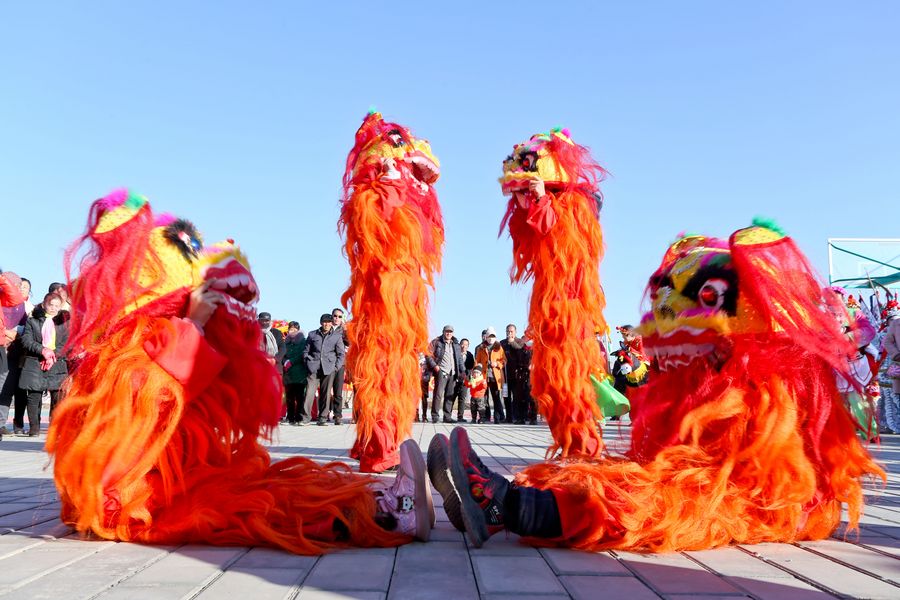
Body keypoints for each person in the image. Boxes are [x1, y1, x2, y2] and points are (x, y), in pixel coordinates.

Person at [429, 221, 884, 553]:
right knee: (616, 474)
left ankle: (507, 507)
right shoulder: (710, 380)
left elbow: (769, 469)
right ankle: (496, 506)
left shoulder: (775, 381)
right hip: (735, 485)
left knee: (660, 500)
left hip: (771, 501)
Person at [48, 190, 434, 554]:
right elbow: (149, 401)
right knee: (254, 504)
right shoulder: (123, 358)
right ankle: (390, 515)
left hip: (156, 483)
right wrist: (192, 326)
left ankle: (377, 497)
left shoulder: (146, 342)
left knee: (270, 479)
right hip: (131, 501)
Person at [340, 111, 445, 473]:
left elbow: (427, 240)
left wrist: (413, 186)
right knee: (381, 371)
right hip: (383, 303)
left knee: (398, 374)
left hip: (404, 303)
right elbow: (376, 229)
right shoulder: (370, 196)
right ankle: (379, 448)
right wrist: (391, 182)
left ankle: (387, 444)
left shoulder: (410, 201)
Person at [499, 128, 608, 456]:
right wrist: (526, 204)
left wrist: (540, 200)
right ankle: (571, 449)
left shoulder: (578, 210)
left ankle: (583, 452)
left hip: (570, 314)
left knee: (571, 382)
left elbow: (562, 239)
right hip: (549, 312)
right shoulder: (550, 205)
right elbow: (531, 242)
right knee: (551, 384)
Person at [18, 292, 69, 435]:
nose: (53, 308)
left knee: (57, 397)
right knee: (34, 396)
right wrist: (43, 350)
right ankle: (34, 427)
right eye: (50, 305)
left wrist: (53, 355)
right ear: (43, 304)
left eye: (57, 306)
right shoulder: (32, 320)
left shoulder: (65, 322)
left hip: (57, 363)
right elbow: (26, 340)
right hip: (35, 362)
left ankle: (54, 427)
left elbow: (67, 343)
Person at [303, 313, 345, 425]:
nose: (326, 324)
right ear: (321, 323)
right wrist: (307, 362)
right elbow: (306, 351)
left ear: (331, 323)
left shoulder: (336, 336)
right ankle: (305, 417)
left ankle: (322, 417)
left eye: (329, 322)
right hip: (313, 367)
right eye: (324, 322)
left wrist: (336, 367)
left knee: (325, 394)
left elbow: (341, 354)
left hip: (329, 368)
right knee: (309, 392)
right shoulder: (312, 334)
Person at [425, 325, 465, 423]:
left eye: (450, 332)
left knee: (449, 395)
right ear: (443, 332)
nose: (448, 333)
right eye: (447, 331)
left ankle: (447, 417)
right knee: (438, 394)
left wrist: (463, 371)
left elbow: (459, 359)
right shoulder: (436, 342)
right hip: (441, 371)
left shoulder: (456, 344)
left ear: (453, 333)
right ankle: (435, 416)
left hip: (453, 372)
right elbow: (428, 354)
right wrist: (435, 366)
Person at [475, 330, 506, 423]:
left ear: (495, 337)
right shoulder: (481, 348)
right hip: (483, 376)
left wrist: (497, 364)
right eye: (489, 336)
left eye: (493, 336)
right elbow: (477, 361)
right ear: (486, 337)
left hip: (495, 377)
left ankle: (497, 417)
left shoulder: (499, 347)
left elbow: (504, 360)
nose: (491, 338)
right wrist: (476, 372)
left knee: (496, 397)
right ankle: (484, 417)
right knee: (483, 398)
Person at [500, 324, 528, 424]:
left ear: (515, 332)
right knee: (506, 397)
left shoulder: (520, 341)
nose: (509, 333)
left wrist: (512, 342)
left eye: (511, 331)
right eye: (508, 331)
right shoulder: (502, 343)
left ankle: (517, 417)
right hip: (505, 376)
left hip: (517, 376)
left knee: (517, 397)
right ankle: (508, 417)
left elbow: (520, 351)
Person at [282, 321, 307, 425]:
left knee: (300, 397)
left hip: (299, 372)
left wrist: (291, 361)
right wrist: (284, 361)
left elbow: (302, 354)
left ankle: (299, 417)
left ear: (298, 330)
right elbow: (283, 353)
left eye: (294, 329)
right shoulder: (286, 341)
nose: (292, 331)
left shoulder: (303, 341)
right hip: (288, 374)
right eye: (290, 329)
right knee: (289, 397)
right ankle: (290, 417)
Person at [882, 300, 900, 433]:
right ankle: (892, 424)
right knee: (893, 397)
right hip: (896, 366)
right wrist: (896, 354)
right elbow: (887, 342)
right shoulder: (896, 324)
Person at [330, 308, 349, 416]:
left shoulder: (344, 330)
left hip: (340, 363)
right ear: (332, 316)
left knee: (338, 391)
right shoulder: (326, 328)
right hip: (327, 363)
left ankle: (337, 415)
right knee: (326, 391)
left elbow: (349, 343)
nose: (337, 318)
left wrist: (346, 332)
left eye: (339, 316)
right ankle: (325, 413)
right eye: (335, 316)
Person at [457, 338, 475, 422]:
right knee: (451, 397)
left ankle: (460, 416)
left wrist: (466, 376)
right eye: (462, 344)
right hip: (455, 378)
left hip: (465, 380)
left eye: (466, 345)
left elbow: (471, 367)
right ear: (459, 345)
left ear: (468, 346)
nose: (464, 346)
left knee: (462, 398)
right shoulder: (456, 353)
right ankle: (447, 416)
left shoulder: (470, 355)